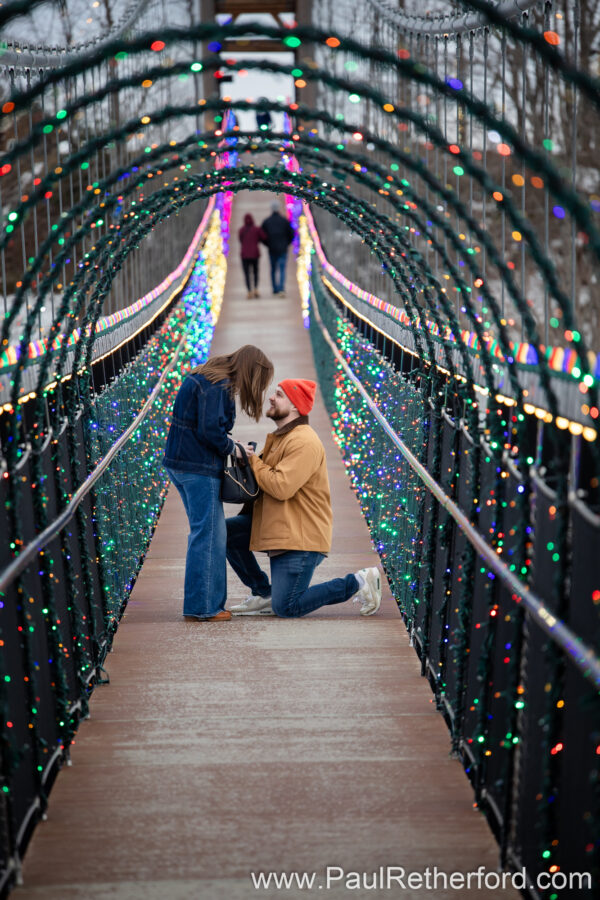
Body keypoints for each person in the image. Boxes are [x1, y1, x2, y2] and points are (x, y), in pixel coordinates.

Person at [226, 378, 382, 618]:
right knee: (223, 533)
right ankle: (262, 592)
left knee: (287, 607)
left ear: (296, 406)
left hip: (299, 536)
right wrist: (245, 459)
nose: (271, 397)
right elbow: (265, 479)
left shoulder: (303, 441)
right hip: (280, 524)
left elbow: (281, 487)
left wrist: (254, 461)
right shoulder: (281, 437)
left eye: (279, 394)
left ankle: (358, 582)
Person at [163, 345, 274, 622]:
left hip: (180, 464)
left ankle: (198, 605)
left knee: (203, 534)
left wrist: (232, 445)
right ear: (251, 372)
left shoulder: (204, 376)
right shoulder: (219, 385)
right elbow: (210, 431)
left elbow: (202, 425)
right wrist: (234, 449)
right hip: (198, 468)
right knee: (210, 537)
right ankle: (206, 607)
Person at [260, 202, 295, 296]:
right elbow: (291, 234)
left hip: (272, 249)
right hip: (283, 248)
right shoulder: (284, 221)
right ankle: (281, 288)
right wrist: (286, 243)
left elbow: (262, 235)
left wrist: (268, 244)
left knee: (273, 269)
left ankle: (275, 288)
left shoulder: (267, 221)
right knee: (282, 269)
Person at [238, 213, 266, 299]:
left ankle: (249, 291)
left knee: (247, 273)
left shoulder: (242, 230)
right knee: (255, 272)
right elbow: (263, 237)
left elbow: (240, 240)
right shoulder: (256, 229)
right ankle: (256, 289)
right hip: (254, 254)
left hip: (245, 255)